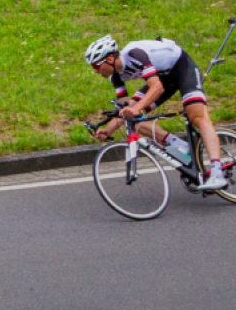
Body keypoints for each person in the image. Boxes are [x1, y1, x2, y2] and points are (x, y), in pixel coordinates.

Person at [84, 34, 228, 192]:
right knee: (133, 120)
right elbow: (124, 109)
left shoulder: (134, 54)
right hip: (162, 77)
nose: (96, 71)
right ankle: (178, 145)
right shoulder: (115, 77)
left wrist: (136, 108)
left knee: (197, 117)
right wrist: (108, 130)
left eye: (96, 66)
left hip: (182, 69)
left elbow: (156, 87)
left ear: (110, 59)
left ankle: (217, 171)